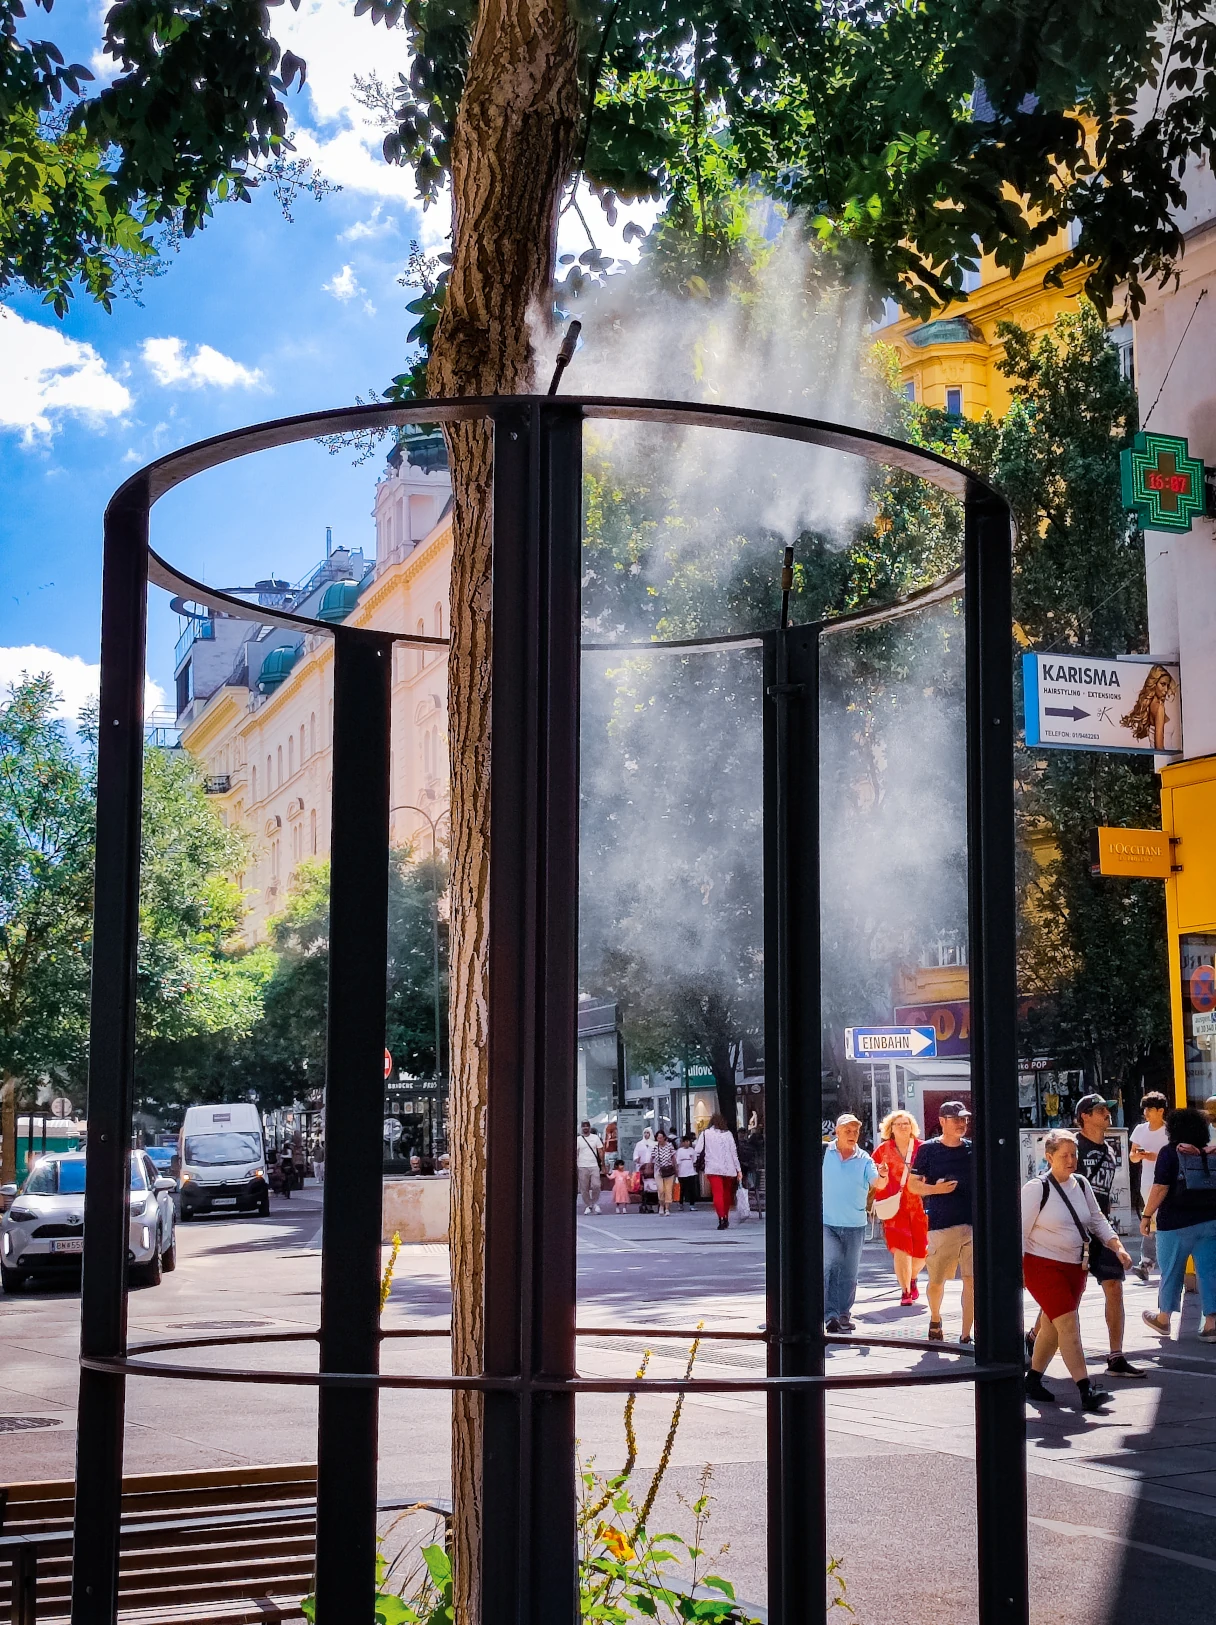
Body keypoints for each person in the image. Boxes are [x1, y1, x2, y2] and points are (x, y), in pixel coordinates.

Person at [1022, 1128, 1134, 1410]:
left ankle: (1032, 1380)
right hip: (1042, 1266)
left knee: (1052, 1325)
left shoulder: (1081, 1184)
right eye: (1064, 1155)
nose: (1071, 1160)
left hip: (1076, 1266)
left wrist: (1116, 1246)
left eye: (1074, 1155)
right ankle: (1086, 1389)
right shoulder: (1037, 1188)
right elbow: (1018, 1232)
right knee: (1069, 1324)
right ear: (1049, 1157)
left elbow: (1097, 1220)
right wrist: (1016, 1272)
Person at [1068, 1094, 1144, 1378]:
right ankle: (1035, 1336)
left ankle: (1116, 1356)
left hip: (1101, 1226)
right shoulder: (1072, 1147)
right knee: (1068, 1294)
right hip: (1075, 1229)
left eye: (1107, 1110)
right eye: (1100, 1110)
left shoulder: (1110, 1151)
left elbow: (1104, 1194)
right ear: (1084, 1116)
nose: (1106, 1114)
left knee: (1114, 1286)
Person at [1139, 1105, 1216, 1343]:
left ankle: (1163, 1319)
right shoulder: (1210, 1152)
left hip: (1174, 1223)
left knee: (1171, 1271)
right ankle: (1212, 1324)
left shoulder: (1170, 1152)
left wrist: (1146, 1215)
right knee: (1210, 1273)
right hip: (1210, 1221)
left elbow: (1161, 1187)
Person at [910, 1101, 973, 1344]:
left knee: (971, 1280)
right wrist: (935, 1190)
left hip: (972, 1223)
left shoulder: (972, 1149)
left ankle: (967, 1335)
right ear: (942, 1121)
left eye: (964, 1119)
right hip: (942, 1224)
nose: (961, 1124)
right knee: (937, 1280)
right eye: (956, 1119)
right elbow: (913, 1186)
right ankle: (935, 1318)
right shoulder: (928, 1150)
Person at [822, 1112, 889, 1333]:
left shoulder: (865, 1158)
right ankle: (830, 1315)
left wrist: (883, 1175)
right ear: (837, 1132)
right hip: (827, 1222)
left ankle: (843, 1314)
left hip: (855, 1223)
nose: (852, 1134)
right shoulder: (825, 1152)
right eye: (847, 1130)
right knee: (830, 1267)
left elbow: (877, 1183)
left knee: (849, 1272)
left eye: (856, 1131)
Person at [872, 1110, 928, 1306]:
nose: (903, 1127)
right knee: (902, 1249)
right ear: (891, 1128)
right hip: (894, 1207)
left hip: (918, 1207)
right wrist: (882, 1174)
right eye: (899, 1124)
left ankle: (912, 1278)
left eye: (906, 1123)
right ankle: (905, 1291)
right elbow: (873, 1178)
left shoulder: (922, 1148)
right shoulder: (882, 1150)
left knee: (922, 1253)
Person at [1128, 1091, 1170, 1280]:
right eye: (1145, 1108)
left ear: (1160, 1111)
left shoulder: (1169, 1132)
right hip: (1147, 1182)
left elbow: (1171, 1157)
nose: (1146, 1112)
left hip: (1165, 1183)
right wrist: (1139, 1155)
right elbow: (1132, 1156)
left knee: (1159, 1221)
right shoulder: (1140, 1130)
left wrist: (1155, 1157)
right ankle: (1147, 1262)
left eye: (1150, 1109)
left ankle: (1151, 1261)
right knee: (1150, 1220)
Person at [694, 1113, 742, 1230]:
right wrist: (738, 1170)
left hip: (713, 1168)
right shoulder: (728, 1134)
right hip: (728, 1168)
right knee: (726, 1194)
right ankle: (726, 1216)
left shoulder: (706, 1134)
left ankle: (720, 1218)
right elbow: (734, 1153)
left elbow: (698, 1149)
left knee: (717, 1194)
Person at [576, 1119, 605, 1215]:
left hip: (594, 1165)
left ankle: (595, 1202)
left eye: (587, 1126)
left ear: (589, 1127)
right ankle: (588, 1205)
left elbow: (600, 1151)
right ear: (581, 1128)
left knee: (596, 1185)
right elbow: (576, 1153)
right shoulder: (578, 1139)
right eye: (583, 1126)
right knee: (584, 1187)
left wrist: (603, 1164)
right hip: (582, 1165)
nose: (585, 1128)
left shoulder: (595, 1138)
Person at [633, 1127, 658, 1214]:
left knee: (654, 1186)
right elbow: (635, 1156)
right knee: (644, 1188)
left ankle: (654, 1203)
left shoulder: (655, 1144)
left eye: (648, 1133)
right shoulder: (639, 1144)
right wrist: (638, 1160)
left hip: (653, 1168)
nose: (646, 1134)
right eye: (645, 1133)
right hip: (642, 1168)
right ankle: (646, 1205)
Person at [653, 1129, 678, 1215]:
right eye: (658, 1138)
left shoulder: (670, 1146)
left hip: (669, 1170)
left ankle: (667, 1208)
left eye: (661, 1138)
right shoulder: (655, 1147)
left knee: (668, 1190)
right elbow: (652, 1158)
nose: (659, 1139)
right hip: (658, 1171)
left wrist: (676, 1168)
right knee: (660, 1189)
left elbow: (674, 1158)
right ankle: (661, 1205)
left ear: (664, 1138)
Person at [675, 1134, 698, 1209]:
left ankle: (692, 1204)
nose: (687, 1143)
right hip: (682, 1172)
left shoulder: (692, 1150)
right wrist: (677, 1171)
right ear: (682, 1142)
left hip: (691, 1171)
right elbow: (677, 1161)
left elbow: (694, 1160)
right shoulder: (679, 1151)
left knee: (692, 1189)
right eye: (685, 1141)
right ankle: (681, 1204)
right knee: (682, 1189)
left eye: (688, 1141)